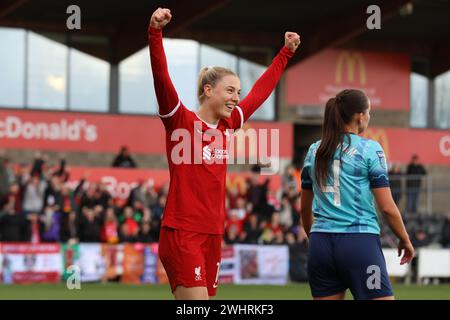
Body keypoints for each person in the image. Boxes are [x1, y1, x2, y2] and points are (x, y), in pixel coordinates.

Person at [148, 7, 300, 300]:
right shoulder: (181, 120)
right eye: (230, 91)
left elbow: (260, 92)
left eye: (237, 92)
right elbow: (161, 77)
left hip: (213, 233)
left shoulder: (229, 124)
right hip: (182, 232)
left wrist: (286, 53)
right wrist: (155, 33)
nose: (236, 98)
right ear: (208, 90)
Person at [300, 89, 414, 300]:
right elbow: (387, 207)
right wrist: (404, 238)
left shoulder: (314, 150)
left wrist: (316, 238)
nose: (369, 117)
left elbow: (305, 208)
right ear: (360, 116)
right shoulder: (370, 149)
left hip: (320, 244)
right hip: (359, 242)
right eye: (369, 112)